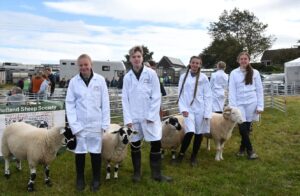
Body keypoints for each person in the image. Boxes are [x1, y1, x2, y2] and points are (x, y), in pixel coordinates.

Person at [122, 46, 172, 183]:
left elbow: (156, 96)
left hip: (150, 117)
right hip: (134, 117)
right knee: (135, 144)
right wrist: (128, 119)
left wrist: (151, 115)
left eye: (139, 56)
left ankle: (157, 174)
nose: (136, 59)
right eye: (134, 57)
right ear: (130, 59)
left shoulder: (151, 74)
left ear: (142, 58)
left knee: (156, 143)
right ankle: (137, 173)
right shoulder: (127, 77)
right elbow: (124, 99)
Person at [65, 54, 110, 192]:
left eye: (86, 64)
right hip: (80, 125)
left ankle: (96, 179)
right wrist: (74, 125)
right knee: (80, 152)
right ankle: (80, 179)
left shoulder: (100, 80)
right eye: (81, 65)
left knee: (96, 152)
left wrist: (105, 123)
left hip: (96, 124)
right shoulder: (73, 82)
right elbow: (70, 103)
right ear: (78, 66)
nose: (83, 67)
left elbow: (105, 103)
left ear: (91, 65)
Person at [176, 56, 212, 166]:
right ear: (190, 63)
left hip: (200, 109)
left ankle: (194, 156)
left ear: (200, 65)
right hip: (188, 109)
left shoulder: (204, 78)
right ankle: (181, 155)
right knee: (190, 132)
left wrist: (207, 112)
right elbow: (180, 93)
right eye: (193, 62)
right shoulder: (183, 76)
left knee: (198, 133)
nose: (195, 65)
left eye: (197, 63)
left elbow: (208, 95)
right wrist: (183, 109)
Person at [228, 51, 264, 160]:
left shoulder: (255, 73)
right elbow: (232, 90)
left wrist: (260, 106)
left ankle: (241, 149)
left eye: (245, 59)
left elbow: (259, 90)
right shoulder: (234, 73)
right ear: (238, 61)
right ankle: (250, 151)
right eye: (241, 59)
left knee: (247, 128)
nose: (243, 61)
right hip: (239, 104)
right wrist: (232, 106)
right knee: (242, 128)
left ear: (249, 60)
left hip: (252, 103)